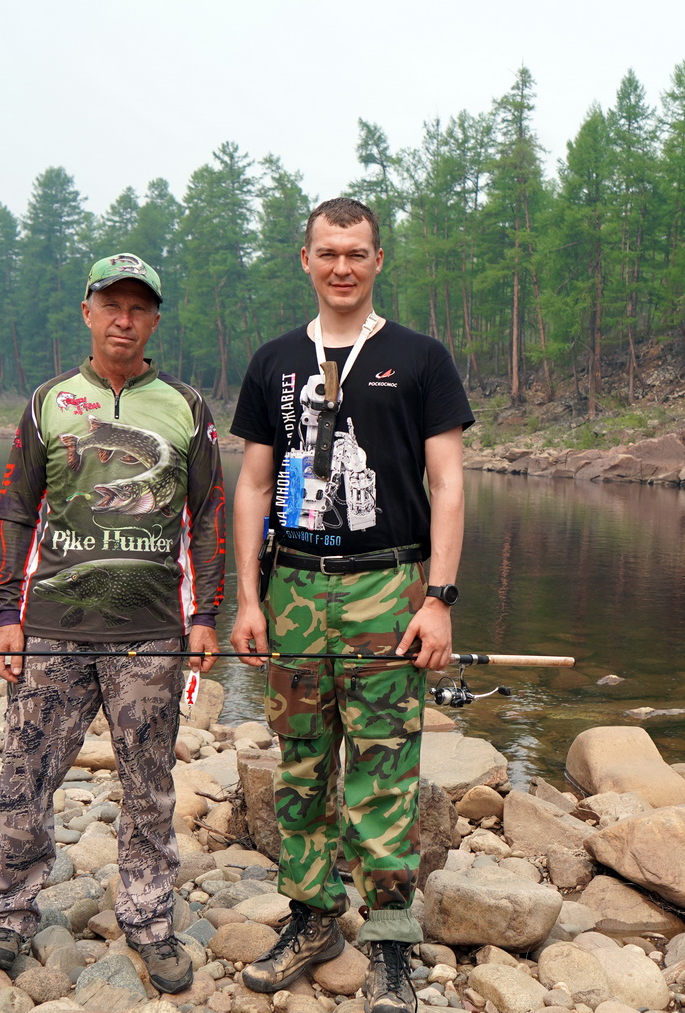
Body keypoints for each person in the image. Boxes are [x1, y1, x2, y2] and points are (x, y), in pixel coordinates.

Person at [228, 198, 471, 1013]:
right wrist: (249, 599)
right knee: (300, 765)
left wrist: (439, 599)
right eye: (328, 252)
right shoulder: (274, 361)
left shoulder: (420, 357)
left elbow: (448, 483)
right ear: (305, 259)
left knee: (383, 766)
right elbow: (254, 484)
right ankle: (312, 918)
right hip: (295, 586)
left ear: (378, 260)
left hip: (387, 586)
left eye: (356, 252)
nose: (342, 266)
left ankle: (392, 941)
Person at [0, 253, 226, 995]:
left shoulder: (185, 405)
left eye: (138, 308)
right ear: (87, 312)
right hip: (52, 627)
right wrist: (7, 614)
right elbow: (16, 507)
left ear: (154, 321)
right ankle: (7, 915)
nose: (124, 319)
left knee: (149, 785)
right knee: (25, 774)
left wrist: (205, 615)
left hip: (150, 633)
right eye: (111, 305)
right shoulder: (50, 401)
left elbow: (208, 514)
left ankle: (148, 920)